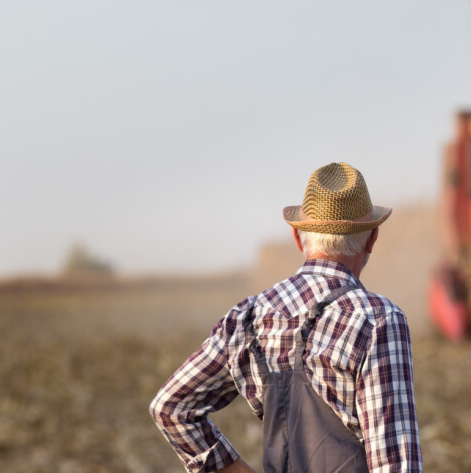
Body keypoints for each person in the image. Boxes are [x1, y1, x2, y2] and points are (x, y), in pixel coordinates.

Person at [150, 162, 423, 473]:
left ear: (297, 237)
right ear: (372, 239)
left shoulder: (248, 318)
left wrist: (234, 469)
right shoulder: (378, 321)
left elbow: (170, 408)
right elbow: (396, 464)